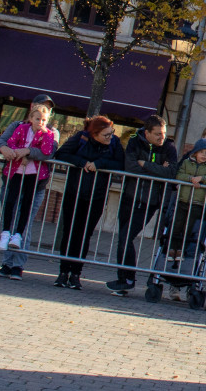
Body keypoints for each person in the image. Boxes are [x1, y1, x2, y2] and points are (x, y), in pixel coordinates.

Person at [0, 94, 58, 273]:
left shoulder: (51, 132)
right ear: (32, 107)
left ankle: (17, 264)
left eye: (48, 109)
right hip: (13, 177)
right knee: (10, 215)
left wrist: (27, 151)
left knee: (25, 221)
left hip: (36, 182)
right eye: (41, 106)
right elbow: (1, 141)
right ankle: (6, 262)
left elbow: (48, 152)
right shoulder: (17, 126)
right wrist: (5, 149)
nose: (44, 112)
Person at [108, 115, 179, 296]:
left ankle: (128, 279)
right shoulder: (134, 142)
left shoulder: (170, 147)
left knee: (127, 236)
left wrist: (145, 164)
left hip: (149, 201)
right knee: (123, 238)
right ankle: (123, 279)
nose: (161, 138)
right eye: (157, 134)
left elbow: (170, 173)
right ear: (146, 133)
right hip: (130, 196)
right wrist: (156, 168)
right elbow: (130, 167)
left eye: (163, 134)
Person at [52, 116, 125, 290]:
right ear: (95, 134)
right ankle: (63, 272)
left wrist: (99, 164)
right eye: (105, 135)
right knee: (69, 232)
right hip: (74, 193)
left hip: (97, 196)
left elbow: (121, 164)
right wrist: (82, 162)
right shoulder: (81, 138)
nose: (110, 137)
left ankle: (76, 273)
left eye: (111, 133)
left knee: (85, 235)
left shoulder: (114, 143)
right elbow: (62, 153)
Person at [167, 137, 206, 302]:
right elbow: (179, 175)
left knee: (189, 228)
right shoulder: (187, 163)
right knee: (176, 225)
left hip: (197, 203)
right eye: (202, 152)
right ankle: (172, 250)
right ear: (195, 152)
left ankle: (181, 250)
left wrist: (202, 179)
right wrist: (190, 179)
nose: (204, 155)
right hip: (183, 200)